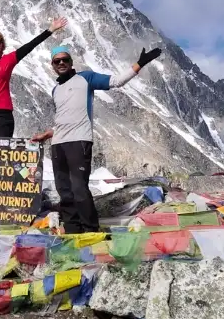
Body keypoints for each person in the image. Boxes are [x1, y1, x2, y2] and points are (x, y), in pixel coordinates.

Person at [30, 44, 162, 234]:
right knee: (64, 191)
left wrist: (140, 63)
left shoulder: (85, 78)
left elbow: (116, 81)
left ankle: (91, 229)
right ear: (52, 64)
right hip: (58, 144)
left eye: (64, 60)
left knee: (79, 188)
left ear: (71, 61)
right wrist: (47, 134)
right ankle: (73, 230)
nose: (61, 63)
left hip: (79, 142)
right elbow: (63, 120)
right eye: (57, 61)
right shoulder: (55, 89)